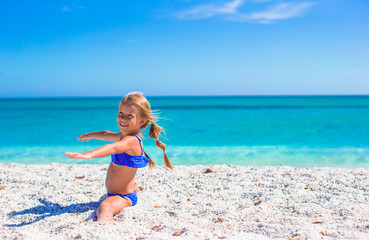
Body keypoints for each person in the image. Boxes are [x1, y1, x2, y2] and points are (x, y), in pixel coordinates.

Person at [65, 92, 173, 222]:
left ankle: (102, 229)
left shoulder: (131, 140)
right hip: (116, 192)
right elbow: (106, 134)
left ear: (142, 121)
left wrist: (88, 154)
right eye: (120, 113)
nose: (123, 118)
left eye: (129, 116)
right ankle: (134, 186)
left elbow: (113, 148)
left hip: (124, 196)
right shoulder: (122, 136)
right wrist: (90, 135)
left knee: (105, 206)